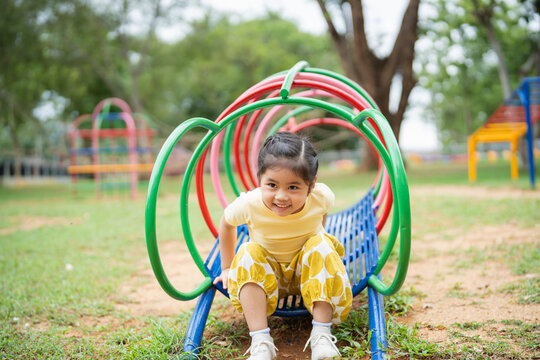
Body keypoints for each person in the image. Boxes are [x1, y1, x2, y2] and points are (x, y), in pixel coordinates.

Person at [213, 131, 352, 360]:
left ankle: (321, 335)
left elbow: (322, 211)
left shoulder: (321, 196)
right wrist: (227, 268)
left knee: (321, 244)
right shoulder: (250, 203)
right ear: (259, 180)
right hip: (268, 278)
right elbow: (227, 223)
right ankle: (260, 341)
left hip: (308, 275)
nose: (281, 196)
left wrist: (320, 233)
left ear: (311, 185)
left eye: (293, 187)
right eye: (272, 184)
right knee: (248, 251)